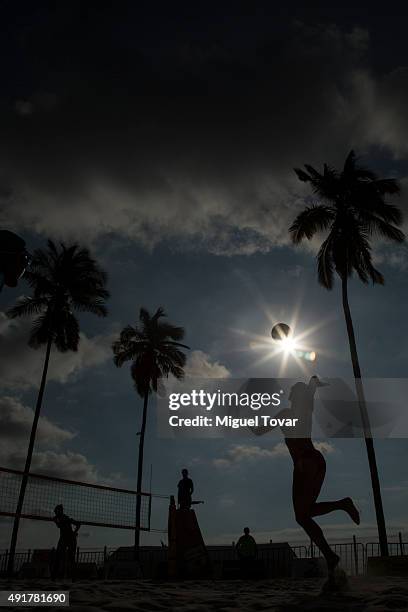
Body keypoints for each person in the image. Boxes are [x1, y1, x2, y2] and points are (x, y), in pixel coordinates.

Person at [278, 376, 360, 576]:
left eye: (291, 392)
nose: (289, 395)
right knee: (305, 515)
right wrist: (314, 383)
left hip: (305, 464)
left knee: (302, 516)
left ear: (293, 396)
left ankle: (331, 552)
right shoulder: (304, 410)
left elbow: (258, 430)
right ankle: (341, 508)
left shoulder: (289, 412)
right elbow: (311, 388)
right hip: (317, 462)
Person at [52, 504, 80, 579]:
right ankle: (55, 576)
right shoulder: (60, 517)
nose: (55, 512)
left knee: (69, 558)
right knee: (60, 557)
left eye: (56, 511)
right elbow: (60, 525)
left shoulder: (65, 518)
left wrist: (74, 532)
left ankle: (73, 577)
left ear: (59, 511)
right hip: (65, 538)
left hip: (69, 538)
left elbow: (78, 524)